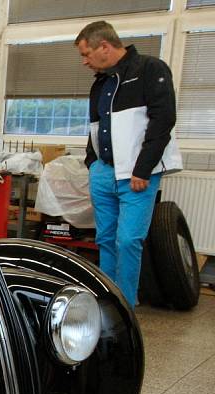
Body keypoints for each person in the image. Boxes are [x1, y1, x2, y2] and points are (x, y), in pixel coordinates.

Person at [75, 21, 182, 307]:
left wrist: (142, 169)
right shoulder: (101, 82)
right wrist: (93, 163)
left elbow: (163, 121)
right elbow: (97, 128)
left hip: (136, 175)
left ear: (105, 47)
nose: (85, 62)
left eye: (86, 54)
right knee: (106, 239)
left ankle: (126, 305)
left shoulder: (150, 69)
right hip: (104, 172)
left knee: (127, 241)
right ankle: (108, 301)